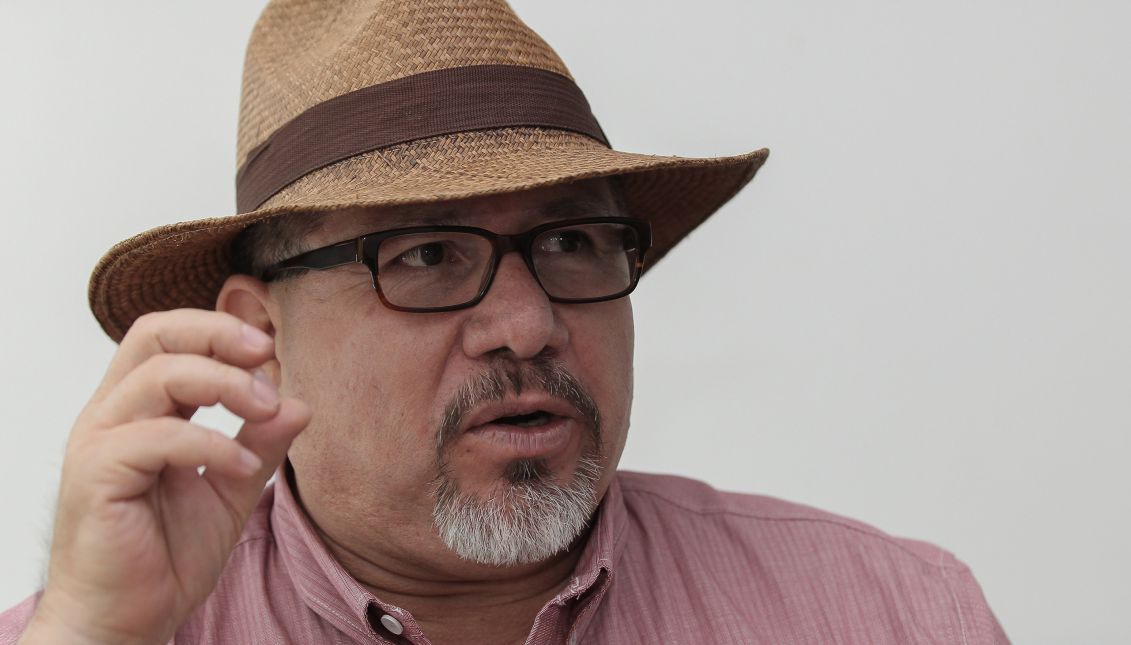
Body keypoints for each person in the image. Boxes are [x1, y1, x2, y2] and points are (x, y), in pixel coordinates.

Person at [2, 1, 1009, 643]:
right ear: (257, 335)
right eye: (427, 257)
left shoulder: (886, 613)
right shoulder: (108, 632)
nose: (526, 324)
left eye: (573, 242)